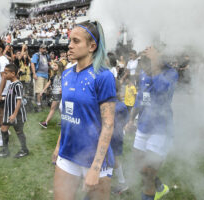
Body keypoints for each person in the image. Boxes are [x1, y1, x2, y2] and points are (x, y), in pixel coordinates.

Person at [52, 21, 116, 200]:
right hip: (67, 153)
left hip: (95, 159)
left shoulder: (103, 76)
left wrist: (95, 168)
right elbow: (67, 115)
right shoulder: (66, 74)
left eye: (76, 41)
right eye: (69, 40)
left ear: (92, 46)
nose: (69, 46)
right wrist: (58, 145)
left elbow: (109, 124)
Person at [126, 46, 178, 200]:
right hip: (143, 125)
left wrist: (155, 65)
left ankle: (152, 191)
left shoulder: (171, 73)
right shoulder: (144, 73)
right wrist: (130, 120)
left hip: (161, 130)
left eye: (148, 63)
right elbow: (140, 99)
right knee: (139, 165)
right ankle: (160, 187)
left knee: (148, 173)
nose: (144, 68)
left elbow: (162, 89)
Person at [0, 64, 29, 159]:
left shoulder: (18, 84)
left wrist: (14, 114)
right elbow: (11, 97)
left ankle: (24, 150)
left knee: (19, 131)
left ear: (13, 73)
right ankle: (5, 151)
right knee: (3, 129)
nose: (4, 75)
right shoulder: (11, 84)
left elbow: (19, 100)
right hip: (9, 112)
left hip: (17, 113)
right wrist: (2, 98)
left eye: (6, 73)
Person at [110, 81, 129, 194]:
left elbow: (124, 122)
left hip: (115, 137)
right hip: (110, 135)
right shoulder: (108, 103)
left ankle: (122, 183)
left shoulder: (120, 106)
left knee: (113, 159)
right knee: (110, 159)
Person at [39, 61, 64, 128]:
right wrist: (43, 90)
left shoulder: (64, 75)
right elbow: (48, 83)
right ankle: (63, 122)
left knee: (53, 108)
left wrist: (63, 89)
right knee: (60, 108)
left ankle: (46, 123)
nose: (53, 67)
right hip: (55, 93)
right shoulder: (54, 75)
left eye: (55, 65)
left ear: (59, 67)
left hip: (59, 93)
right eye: (53, 65)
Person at [31, 44, 51, 112]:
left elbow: (49, 63)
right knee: (39, 91)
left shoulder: (47, 55)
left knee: (44, 91)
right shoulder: (36, 55)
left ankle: (42, 104)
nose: (44, 50)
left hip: (46, 75)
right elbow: (32, 63)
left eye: (45, 48)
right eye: (43, 48)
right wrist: (34, 74)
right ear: (40, 49)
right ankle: (39, 105)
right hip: (39, 74)